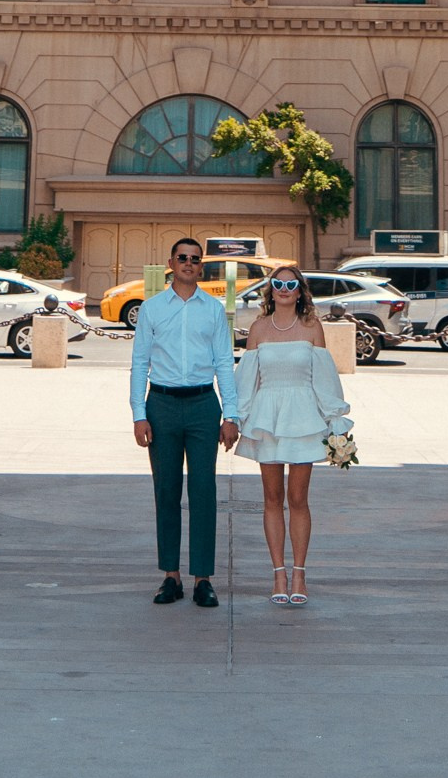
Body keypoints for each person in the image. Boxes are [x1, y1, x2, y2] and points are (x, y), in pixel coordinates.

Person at [129, 236, 239, 606]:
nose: (189, 263)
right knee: (166, 492)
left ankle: (203, 579)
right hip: (161, 404)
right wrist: (139, 414)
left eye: (195, 259)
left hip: (203, 406)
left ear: (201, 266)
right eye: (182, 258)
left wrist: (231, 414)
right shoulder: (152, 309)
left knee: (204, 493)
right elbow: (139, 363)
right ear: (171, 264)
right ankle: (170, 576)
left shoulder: (213, 309)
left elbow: (225, 361)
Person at [233, 264, 350, 605]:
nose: (284, 288)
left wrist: (337, 423)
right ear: (271, 290)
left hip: (303, 419)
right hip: (266, 418)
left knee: (298, 499)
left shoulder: (313, 327)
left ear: (300, 291)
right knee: (272, 499)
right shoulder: (257, 328)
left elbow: (325, 380)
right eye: (278, 283)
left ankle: (299, 572)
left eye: (291, 283)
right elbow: (247, 383)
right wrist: (234, 420)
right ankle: (278, 575)